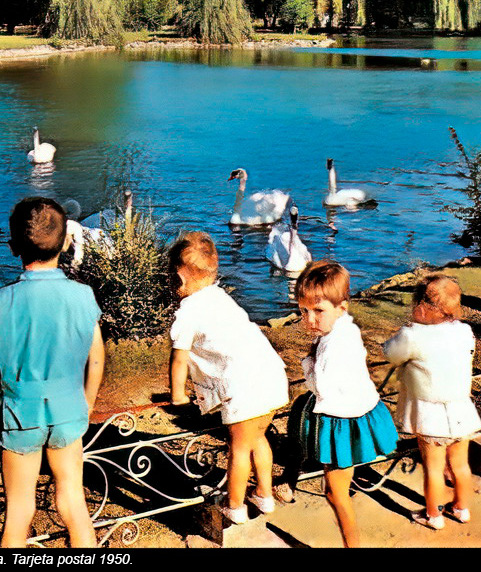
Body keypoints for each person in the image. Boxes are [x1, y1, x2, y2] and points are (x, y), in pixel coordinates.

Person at [0, 197, 105, 548]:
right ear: (65, 244)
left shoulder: (1, 300)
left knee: (19, 508)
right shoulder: (83, 295)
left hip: (19, 413)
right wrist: (88, 401)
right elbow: (96, 356)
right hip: (68, 408)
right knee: (73, 500)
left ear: (12, 246)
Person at [168, 232, 290, 525]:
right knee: (258, 439)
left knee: (238, 449)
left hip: (244, 388)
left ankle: (234, 505)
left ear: (179, 278)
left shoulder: (188, 312)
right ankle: (264, 495)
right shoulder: (222, 299)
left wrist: (178, 395)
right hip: (271, 376)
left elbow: (179, 357)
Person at [289, 261, 398, 548]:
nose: (310, 319)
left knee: (335, 493)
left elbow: (320, 388)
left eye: (318, 311)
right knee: (338, 487)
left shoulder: (330, 346)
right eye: (303, 311)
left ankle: (352, 545)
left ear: (341, 307)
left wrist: (308, 362)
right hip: (359, 411)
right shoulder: (346, 328)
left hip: (341, 422)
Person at [383, 273, 481, 530]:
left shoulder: (412, 335)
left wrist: (407, 329)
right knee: (460, 465)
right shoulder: (463, 331)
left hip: (430, 414)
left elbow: (390, 353)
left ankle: (433, 515)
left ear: (421, 306)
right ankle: (461, 509)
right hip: (460, 409)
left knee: (434, 468)